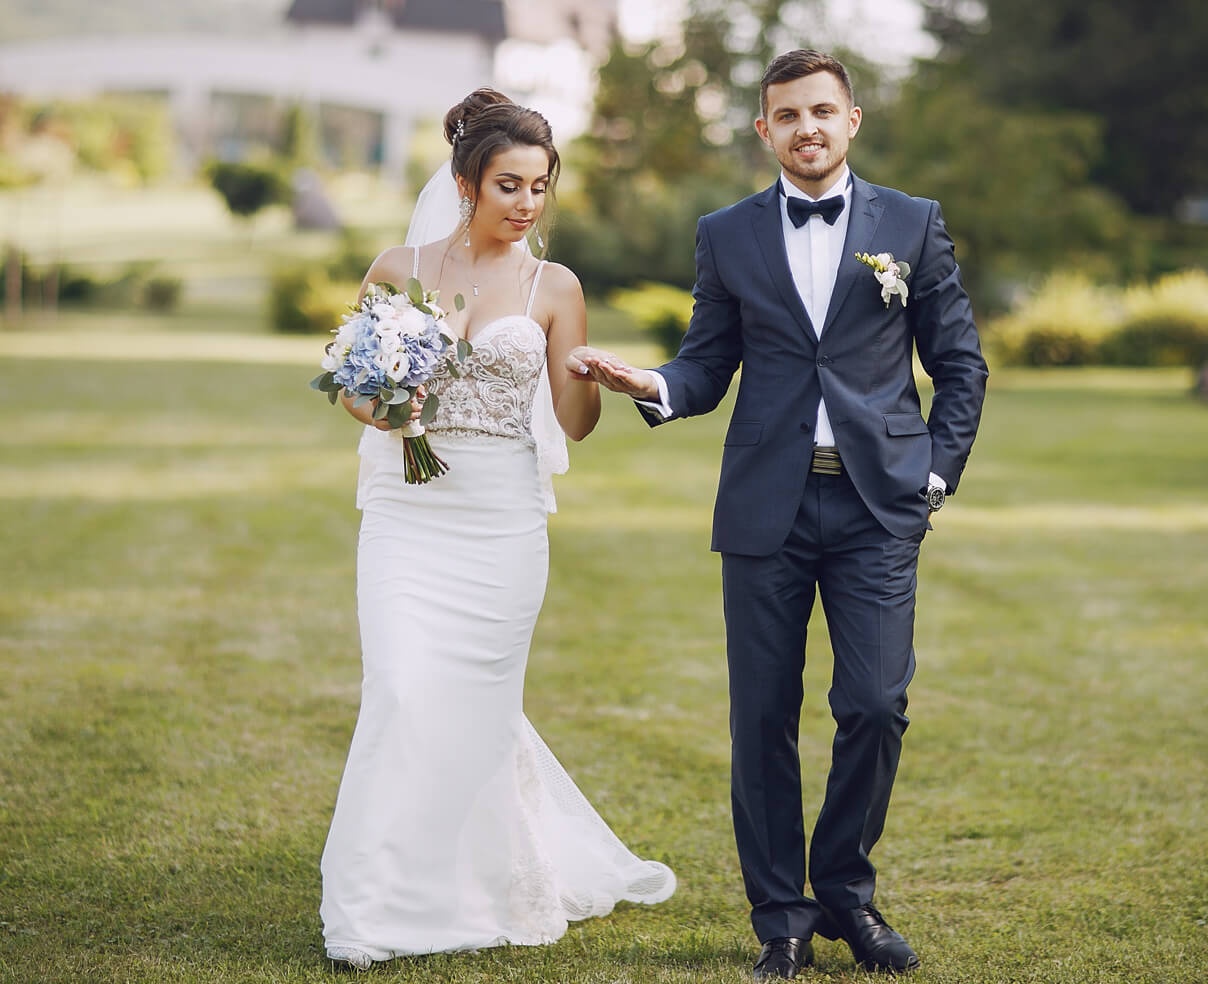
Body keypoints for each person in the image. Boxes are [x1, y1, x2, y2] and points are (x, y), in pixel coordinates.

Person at [573, 50, 987, 979]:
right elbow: (705, 365)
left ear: (852, 121)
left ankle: (846, 891)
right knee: (761, 717)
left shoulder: (911, 226)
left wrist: (935, 476)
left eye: (822, 112)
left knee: (875, 707)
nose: (807, 128)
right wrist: (651, 384)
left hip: (878, 505)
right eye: (788, 115)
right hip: (767, 507)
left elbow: (960, 366)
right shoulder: (726, 235)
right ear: (764, 131)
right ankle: (783, 919)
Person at [319, 88, 675, 971]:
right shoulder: (397, 269)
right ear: (465, 181)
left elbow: (576, 423)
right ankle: (376, 901)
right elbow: (350, 389)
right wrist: (393, 407)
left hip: (503, 523)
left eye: (541, 187)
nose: (525, 204)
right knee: (402, 687)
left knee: (474, 705)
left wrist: (590, 377)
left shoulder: (556, 287)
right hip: (409, 513)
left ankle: (475, 882)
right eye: (509, 184)